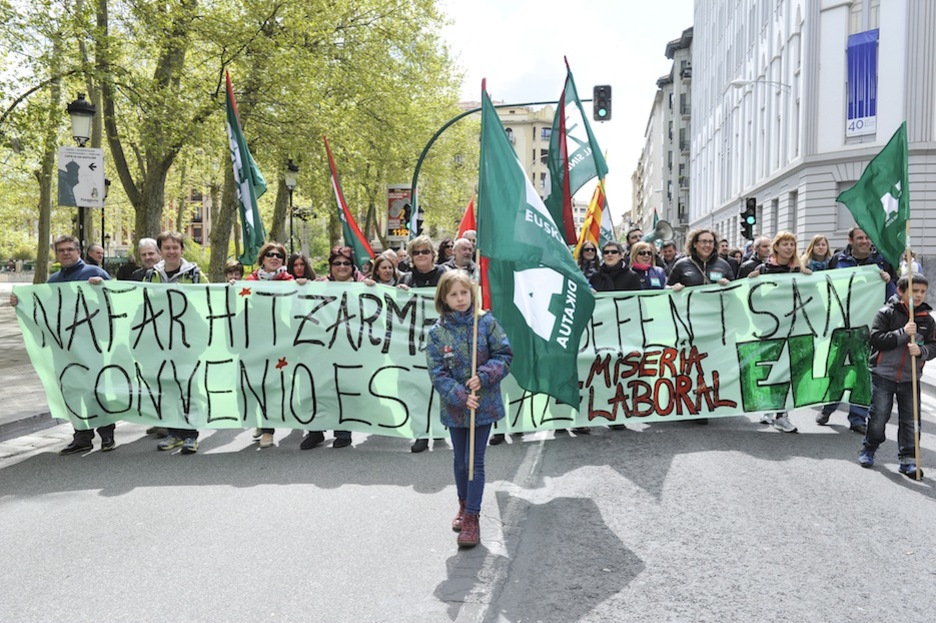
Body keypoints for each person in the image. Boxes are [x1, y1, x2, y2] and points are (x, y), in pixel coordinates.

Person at [426, 270, 512, 548]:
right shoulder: (437, 332)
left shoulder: (485, 322)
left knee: (475, 462)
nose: (460, 298)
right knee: (460, 460)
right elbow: (437, 372)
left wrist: (484, 376)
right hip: (455, 408)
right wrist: (460, 395)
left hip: (483, 405)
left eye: (464, 292)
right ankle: (463, 506)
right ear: (444, 298)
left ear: (471, 293)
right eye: (453, 294)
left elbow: (504, 355)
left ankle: (473, 517)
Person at [9, 235, 112, 455]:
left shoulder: (96, 273)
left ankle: (107, 433)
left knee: (96, 389)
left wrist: (102, 287)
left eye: (70, 249)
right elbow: (44, 310)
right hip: (64, 347)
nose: (65, 253)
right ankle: (82, 436)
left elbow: (114, 301)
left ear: (78, 252)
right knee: (72, 390)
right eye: (61, 250)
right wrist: (22, 303)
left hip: (92, 344)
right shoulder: (53, 280)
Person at [817, 226, 897, 432]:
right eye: (860, 238)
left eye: (867, 237)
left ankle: (858, 419)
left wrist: (888, 282)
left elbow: (894, 295)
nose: (865, 241)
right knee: (836, 368)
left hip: (869, 327)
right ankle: (828, 407)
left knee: (863, 373)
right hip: (840, 326)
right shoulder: (837, 260)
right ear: (850, 240)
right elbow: (823, 285)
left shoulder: (882, 262)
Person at [858, 273, 935, 478]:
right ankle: (869, 448)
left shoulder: (927, 320)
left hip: (911, 378)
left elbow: (934, 345)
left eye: (922, 292)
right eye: (914, 291)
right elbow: (876, 339)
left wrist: (922, 351)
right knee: (879, 415)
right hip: (884, 375)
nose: (918, 296)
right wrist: (902, 332)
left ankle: (908, 460)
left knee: (911, 420)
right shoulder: (886, 313)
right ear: (901, 292)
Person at [301, 246, 369, 450]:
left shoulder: (363, 286)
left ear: (352, 266)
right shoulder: (319, 285)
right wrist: (300, 286)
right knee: (318, 388)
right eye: (337, 263)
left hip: (349, 347)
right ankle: (316, 431)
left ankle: (343, 432)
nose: (342, 267)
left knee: (343, 388)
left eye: (346, 263)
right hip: (321, 347)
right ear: (330, 266)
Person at [743, 232, 811, 433]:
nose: (789, 248)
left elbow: (811, 296)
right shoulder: (763, 269)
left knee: (788, 370)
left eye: (792, 244)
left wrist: (810, 279)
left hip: (792, 327)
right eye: (784, 244)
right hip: (770, 328)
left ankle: (782, 414)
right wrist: (750, 280)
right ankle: (769, 407)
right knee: (770, 369)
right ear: (776, 247)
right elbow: (752, 297)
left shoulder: (800, 270)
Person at [666, 228, 734, 425]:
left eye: (710, 242)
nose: (707, 245)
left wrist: (728, 285)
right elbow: (665, 289)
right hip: (687, 323)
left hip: (713, 325)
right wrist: (673, 288)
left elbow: (736, 291)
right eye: (702, 241)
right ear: (694, 243)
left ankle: (701, 405)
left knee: (707, 365)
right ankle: (679, 403)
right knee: (685, 364)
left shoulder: (724, 265)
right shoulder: (682, 265)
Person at [143, 231, 203, 453]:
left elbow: (209, 298)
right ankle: (173, 432)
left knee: (187, 387)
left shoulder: (195, 274)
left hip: (187, 341)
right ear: (160, 251)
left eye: (175, 247)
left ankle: (191, 434)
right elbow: (140, 302)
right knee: (166, 387)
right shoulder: (151, 276)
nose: (171, 251)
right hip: (160, 341)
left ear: (181, 250)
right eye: (166, 248)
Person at [241, 241, 300, 449]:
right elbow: (240, 303)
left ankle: (268, 429)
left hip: (279, 340)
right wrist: (231, 289)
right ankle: (260, 421)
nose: (274, 258)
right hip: (254, 339)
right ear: (262, 259)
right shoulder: (248, 282)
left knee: (273, 384)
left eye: (279, 256)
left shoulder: (289, 281)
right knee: (255, 383)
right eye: (270, 255)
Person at [400, 235, 448, 451]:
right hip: (414, 347)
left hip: (440, 343)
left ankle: (439, 430)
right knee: (415, 391)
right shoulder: (407, 280)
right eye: (416, 252)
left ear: (433, 254)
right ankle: (420, 434)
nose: (421, 256)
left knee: (439, 386)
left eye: (425, 252)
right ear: (411, 257)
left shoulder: (444, 275)